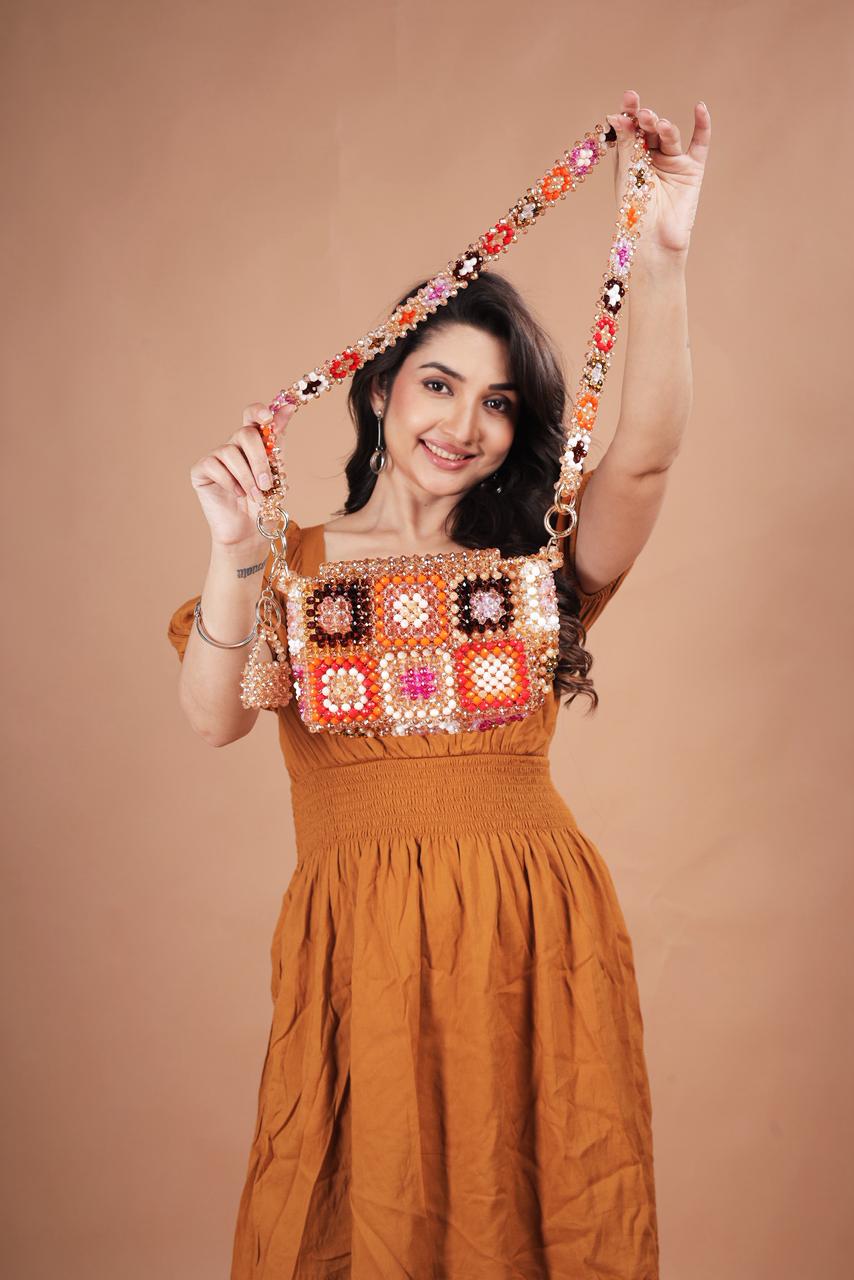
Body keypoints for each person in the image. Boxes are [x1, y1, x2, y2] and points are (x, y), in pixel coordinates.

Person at [167, 92, 710, 1279]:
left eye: (498, 401)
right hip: (359, 949)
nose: (464, 423)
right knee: (363, 1224)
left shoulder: (529, 571)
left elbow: (645, 458)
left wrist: (660, 253)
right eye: (438, 384)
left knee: (542, 1214)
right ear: (378, 388)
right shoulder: (291, 565)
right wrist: (234, 546)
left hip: (533, 936)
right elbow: (212, 716)